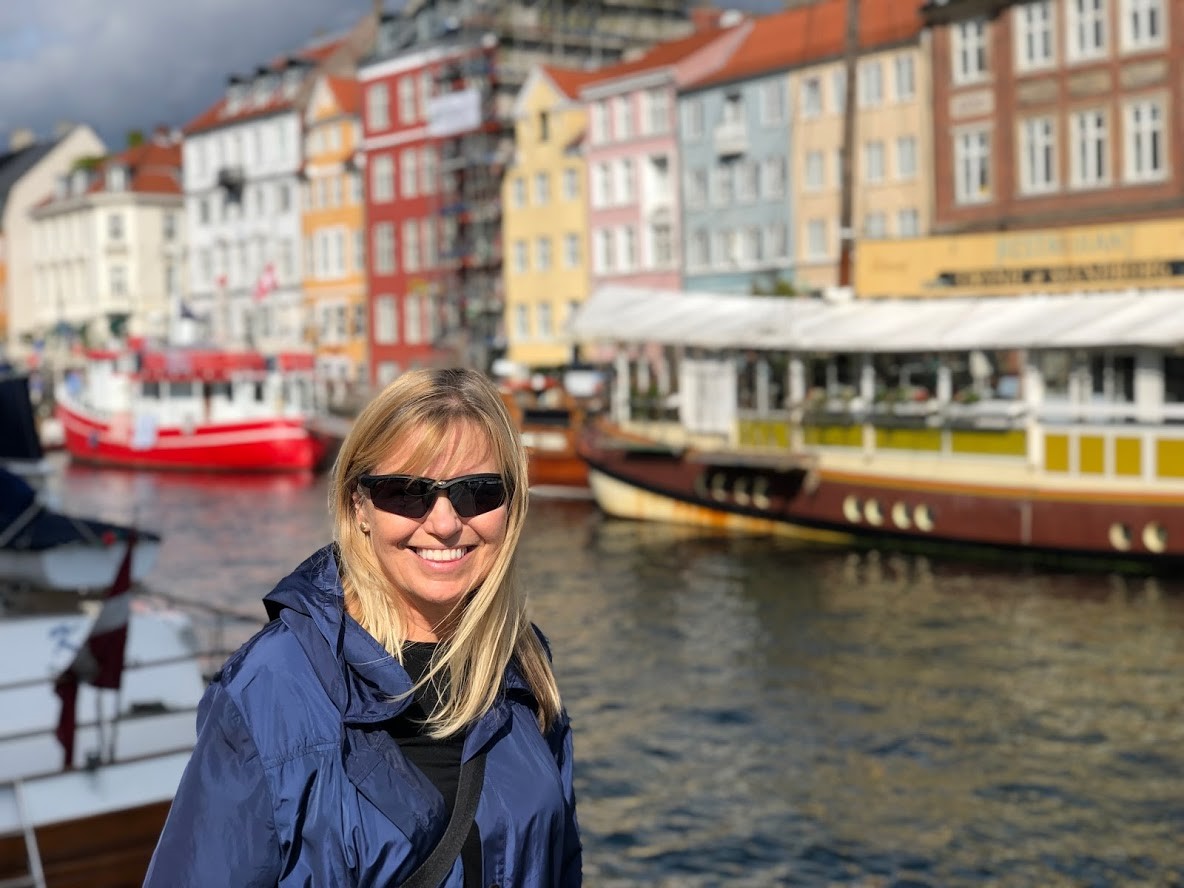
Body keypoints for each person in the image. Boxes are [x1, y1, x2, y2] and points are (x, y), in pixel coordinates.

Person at [145, 367, 581, 887]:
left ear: (512, 503)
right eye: (407, 492)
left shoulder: (524, 665)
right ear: (360, 505)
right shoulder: (270, 687)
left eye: (477, 491)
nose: (444, 523)